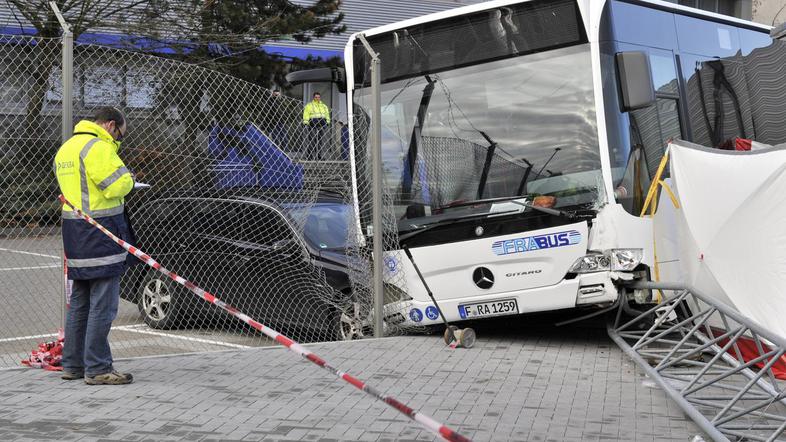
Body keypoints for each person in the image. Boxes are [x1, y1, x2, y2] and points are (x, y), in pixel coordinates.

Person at [54, 106, 135, 385]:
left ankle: (73, 364)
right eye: (120, 136)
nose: (119, 142)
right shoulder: (98, 148)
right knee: (103, 305)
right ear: (111, 125)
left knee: (80, 302)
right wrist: (131, 180)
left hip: (76, 236)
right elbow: (115, 185)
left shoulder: (66, 149)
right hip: (102, 235)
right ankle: (98, 368)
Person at [302, 92, 331, 160]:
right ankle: (310, 156)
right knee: (311, 140)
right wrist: (306, 122)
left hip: (322, 123)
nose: (317, 98)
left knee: (320, 141)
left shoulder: (324, 106)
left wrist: (328, 122)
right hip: (312, 123)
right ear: (313, 97)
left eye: (318, 97)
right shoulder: (309, 105)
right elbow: (306, 114)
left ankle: (319, 156)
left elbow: (327, 114)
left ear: (320, 98)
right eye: (316, 97)